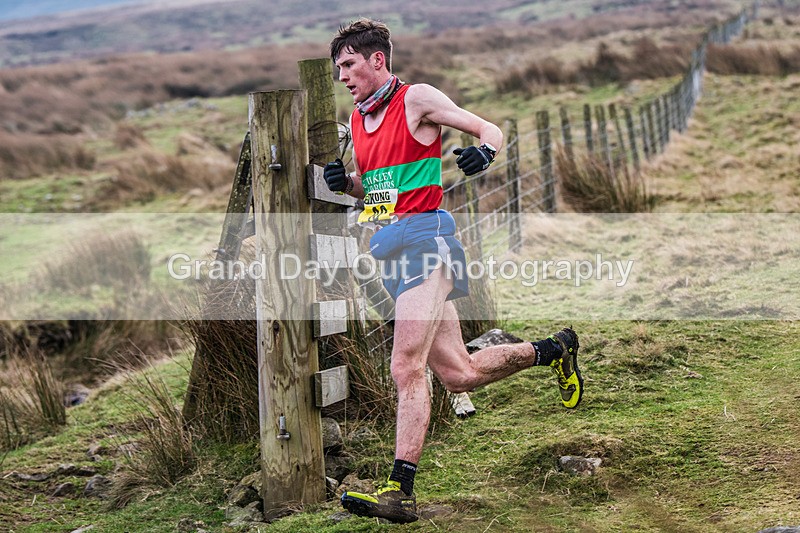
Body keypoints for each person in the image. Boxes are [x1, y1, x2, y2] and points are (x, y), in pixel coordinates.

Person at [325, 18, 583, 524]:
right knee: (459, 374)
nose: (343, 76)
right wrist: (347, 184)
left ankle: (398, 491)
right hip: (392, 248)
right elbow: (381, 193)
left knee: (405, 366)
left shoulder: (416, 99)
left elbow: (490, 129)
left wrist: (485, 152)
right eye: (338, 69)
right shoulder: (357, 119)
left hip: (428, 240)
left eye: (349, 65)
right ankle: (555, 349)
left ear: (378, 59)